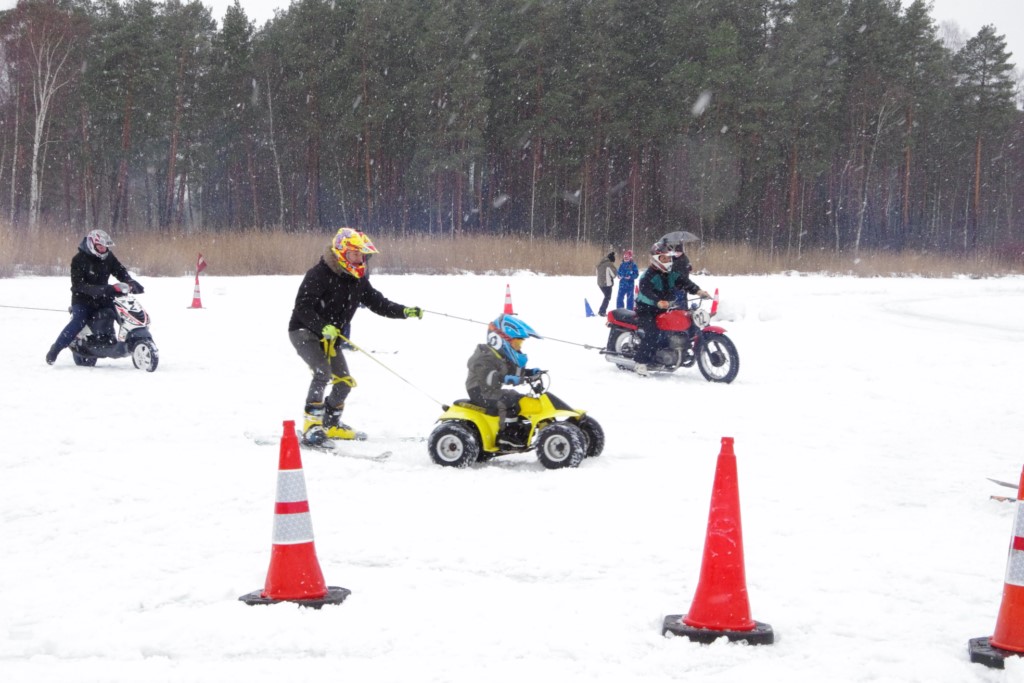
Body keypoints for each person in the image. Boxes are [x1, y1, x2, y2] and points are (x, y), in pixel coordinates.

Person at [288, 227, 423, 443]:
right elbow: (302, 308)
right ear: (341, 253)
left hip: (331, 338)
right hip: (304, 331)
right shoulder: (319, 274)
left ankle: (331, 425)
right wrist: (323, 326)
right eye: (355, 254)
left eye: (362, 255)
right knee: (322, 372)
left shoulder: (357, 279)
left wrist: (404, 311)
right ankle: (311, 426)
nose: (360, 259)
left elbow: (378, 303)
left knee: (344, 382)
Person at [45, 229, 144, 365]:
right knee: (78, 321)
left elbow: (119, 270)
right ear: (92, 244)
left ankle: (126, 340)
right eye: (100, 246)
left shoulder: (108, 257)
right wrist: (106, 289)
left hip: (104, 297)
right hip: (82, 299)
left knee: (122, 312)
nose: (103, 249)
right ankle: (55, 349)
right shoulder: (78, 260)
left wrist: (129, 281)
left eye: (105, 247)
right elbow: (79, 286)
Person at [632, 237, 709, 376]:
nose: (667, 260)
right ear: (655, 259)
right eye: (664, 258)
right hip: (647, 309)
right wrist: (658, 301)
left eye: (668, 258)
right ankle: (640, 362)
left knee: (685, 322)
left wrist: (698, 291)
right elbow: (646, 291)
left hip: (666, 306)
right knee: (652, 332)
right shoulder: (648, 275)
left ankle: (677, 349)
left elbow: (685, 282)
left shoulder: (671, 273)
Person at [465, 314, 542, 448]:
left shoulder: (500, 357)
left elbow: (513, 371)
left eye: (520, 344)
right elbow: (488, 376)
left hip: (491, 391)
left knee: (518, 398)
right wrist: (504, 378)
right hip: (479, 391)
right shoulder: (483, 356)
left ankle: (517, 428)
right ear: (500, 340)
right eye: (516, 343)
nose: (518, 347)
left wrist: (530, 373)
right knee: (507, 400)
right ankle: (505, 436)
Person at [595, 251, 616, 316]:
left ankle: (602, 310)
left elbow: (597, 273)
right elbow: (614, 275)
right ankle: (602, 311)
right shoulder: (609, 264)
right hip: (607, 284)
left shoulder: (600, 263)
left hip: (600, 283)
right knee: (607, 297)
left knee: (606, 297)